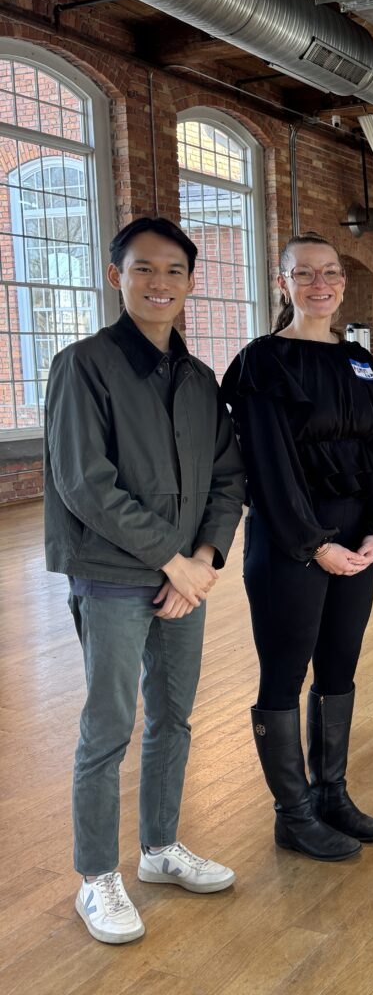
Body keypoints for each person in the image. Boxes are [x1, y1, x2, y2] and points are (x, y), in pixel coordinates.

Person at [44, 217, 245, 945]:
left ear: (190, 283)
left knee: (173, 717)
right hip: (112, 578)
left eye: (172, 272)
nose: (158, 284)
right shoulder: (83, 365)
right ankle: (96, 876)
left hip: (184, 578)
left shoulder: (197, 380)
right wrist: (175, 561)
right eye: (142, 269)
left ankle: (159, 850)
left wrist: (208, 559)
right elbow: (84, 483)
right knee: (109, 728)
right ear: (115, 275)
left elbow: (228, 477)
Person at [222, 232, 373, 861]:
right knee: (285, 670)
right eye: (304, 274)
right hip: (292, 539)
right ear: (283, 283)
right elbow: (268, 468)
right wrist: (315, 544)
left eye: (329, 273)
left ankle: (331, 793)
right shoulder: (261, 362)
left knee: (340, 667)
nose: (320, 284)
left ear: (342, 283)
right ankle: (292, 813)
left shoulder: (359, 361)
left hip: (357, 536)